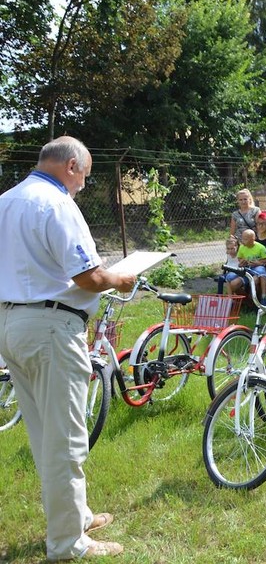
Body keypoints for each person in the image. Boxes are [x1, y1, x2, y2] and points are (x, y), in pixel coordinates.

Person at [0, 136, 136, 560]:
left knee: (45, 434)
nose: (82, 186)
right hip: (52, 327)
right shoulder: (57, 204)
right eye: (85, 177)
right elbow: (88, 277)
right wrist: (120, 278)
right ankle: (68, 543)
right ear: (72, 166)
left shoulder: (5, 200)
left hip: (11, 324)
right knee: (67, 439)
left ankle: (75, 516)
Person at [227, 229, 266, 295]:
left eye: (245, 239)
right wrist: (242, 262)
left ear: (253, 239)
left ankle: (263, 296)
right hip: (246, 269)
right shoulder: (242, 247)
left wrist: (258, 263)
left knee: (256, 278)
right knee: (231, 281)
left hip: (256, 269)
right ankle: (247, 301)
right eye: (242, 238)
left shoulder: (261, 247)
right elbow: (239, 258)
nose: (243, 241)